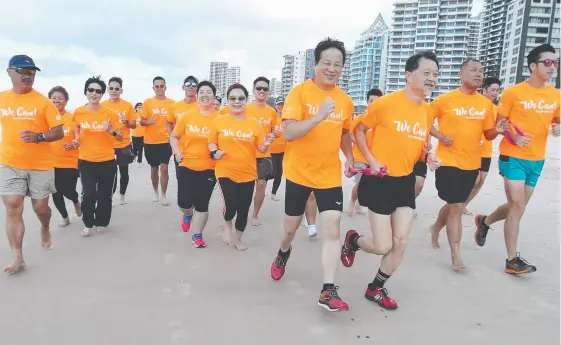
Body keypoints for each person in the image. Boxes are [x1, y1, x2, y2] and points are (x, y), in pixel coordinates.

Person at [340, 51, 441, 310]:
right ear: (409, 75)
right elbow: (357, 129)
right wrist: (372, 160)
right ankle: (354, 241)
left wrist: (429, 157)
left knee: (401, 241)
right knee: (382, 244)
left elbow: (420, 145)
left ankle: (376, 287)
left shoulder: (427, 112)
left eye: (436, 74)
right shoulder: (385, 104)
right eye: (426, 73)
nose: (432, 78)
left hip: (404, 181)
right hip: (379, 182)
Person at [269, 38, 354, 312]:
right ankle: (283, 252)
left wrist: (350, 157)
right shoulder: (299, 93)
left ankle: (327, 290)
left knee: (332, 229)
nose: (332, 69)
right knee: (290, 229)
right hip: (298, 174)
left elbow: (344, 133)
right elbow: (290, 132)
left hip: (329, 175)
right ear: (315, 64)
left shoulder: (345, 101)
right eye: (326, 63)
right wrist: (318, 116)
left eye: (337, 65)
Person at [474, 44, 560, 274]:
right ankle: (512, 260)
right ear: (533, 66)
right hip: (512, 156)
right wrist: (513, 136)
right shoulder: (514, 92)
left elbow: (557, 119)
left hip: (537, 159)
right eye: (548, 62)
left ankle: (485, 221)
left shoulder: (555, 94)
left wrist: (557, 126)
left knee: (517, 207)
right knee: (517, 205)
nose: (553, 66)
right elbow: (500, 124)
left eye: (555, 62)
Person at [428, 59, 504, 271]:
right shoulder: (445, 100)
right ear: (461, 74)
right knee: (456, 208)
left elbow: (487, 135)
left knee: (457, 206)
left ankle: (435, 228)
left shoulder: (486, 105)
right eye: (473, 70)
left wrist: (497, 130)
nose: (478, 74)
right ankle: (456, 254)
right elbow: (424, 121)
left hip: (472, 163)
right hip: (448, 162)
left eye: (480, 71)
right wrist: (440, 136)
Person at [0, 55, 63, 274]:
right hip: (9, 162)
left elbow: (58, 132)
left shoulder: (43, 102)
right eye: (23, 72)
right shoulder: (2, 99)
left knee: (41, 208)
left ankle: (45, 227)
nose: (28, 76)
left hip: (40, 165)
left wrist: (38, 137)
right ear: (10, 71)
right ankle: (18, 257)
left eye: (32, 73)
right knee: (13, 205)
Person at [208, 83, 275, 251]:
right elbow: (211, 142)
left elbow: (260, 148)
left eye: (240, 98)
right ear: (228, 100)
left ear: (246, 100)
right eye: (232, 98)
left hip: (248, 172)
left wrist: (266, 143)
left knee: (243, 209)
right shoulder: (219, 120)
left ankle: (238, 239)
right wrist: (214, 151)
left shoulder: (254, 124)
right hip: (225, 171)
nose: (236, 101)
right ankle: (227, 224)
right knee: (230, 206)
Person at [73, 76, 124, 237]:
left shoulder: (109, 113)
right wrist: (75, 141)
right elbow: (77, 132)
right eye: (91, 90)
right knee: (88, 194)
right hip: (86, 161)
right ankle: (88, 223)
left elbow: (121, 136)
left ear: (102, 94)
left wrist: (111, 131)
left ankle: (102, 221)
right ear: (86, 92)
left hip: (107, 161)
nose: (94, 93)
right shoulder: (79, 112)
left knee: (104, 194)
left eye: (98, 91)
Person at [170, 81, 219, 245]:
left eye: (209, 92)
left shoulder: (220, 119)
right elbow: (174, 136)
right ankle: (187, 214)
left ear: (214, 96)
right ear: (197, 95)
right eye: (201, 92)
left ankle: (197, 235)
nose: (205, 95)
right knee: (184, 202)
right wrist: (177, 152)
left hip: (210, 168)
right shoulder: (188, 116)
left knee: (202, 204)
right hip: (186, 164)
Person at [463, 76, 501, 215]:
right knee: (475, 179)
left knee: (481, 181)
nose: (495, 93)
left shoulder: (496, 109)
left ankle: (464, 204)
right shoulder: (476, 104)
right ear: (484, 89)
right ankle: (458, 203)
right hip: (473, 148)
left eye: (497, 90)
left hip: (487, 149)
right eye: (492, 90)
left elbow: (497, 129)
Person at [246, 76, 279, 226]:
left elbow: (274, 130)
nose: (261, 91)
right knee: (243, 186)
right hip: (245, 154)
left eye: (265, 89)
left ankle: (255, 214)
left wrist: (275, 134)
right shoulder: (245, 108)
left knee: (261, 185)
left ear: (268, 92)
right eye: (258, 88)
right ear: (253, 91)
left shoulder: (271, 112)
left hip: (264, 154)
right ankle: (241, 210)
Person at [49, 86, 81, 227]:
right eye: (54, 97)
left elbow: (81, 137)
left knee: (68, 189)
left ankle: (75, 200)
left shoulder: (72, 118)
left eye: (60, 98)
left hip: (70, 162)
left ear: (66, 101)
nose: (57, 100)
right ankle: (65, 217)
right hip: (50, 162)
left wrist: (75, 143)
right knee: (55, 191)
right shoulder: (45, 119)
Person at [347, 88, 383, 216]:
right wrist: (359, 142)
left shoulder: (380, 121)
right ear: (367, 101)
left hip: (374, 159)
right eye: (370, 101)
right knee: (360, 183)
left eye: (376, 101)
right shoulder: (359, 119)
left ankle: (358, 204)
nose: (372, 104)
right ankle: (352, 202)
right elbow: (350, 134)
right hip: (360, 158)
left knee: (368, 185)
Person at [101, 77, 136, 205]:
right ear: (107, 90)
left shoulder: (127, 105)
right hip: (108, 144)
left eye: (116, 89)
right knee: (110, 172)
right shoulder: (103, 105)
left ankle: (122, 195)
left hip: (124, 144)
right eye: (111, 88)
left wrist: (126, 122)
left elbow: (134, 125)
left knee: (123, 171)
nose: (114, 91)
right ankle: (109, 195)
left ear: (121, 90)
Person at [140, 76, 175, 205]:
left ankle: (164, 195)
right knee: (154, 168)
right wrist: (148, 122)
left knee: (164, 167)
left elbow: (176, 121)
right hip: (150, 141)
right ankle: (156, 192)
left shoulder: (172, 103)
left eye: (162, 86)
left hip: (166, 140)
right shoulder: (148, 102)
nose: (159, 88)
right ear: (153, 88)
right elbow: (141, 121)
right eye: (157, 86)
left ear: (165, 87)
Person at [168, 76, 199, 180]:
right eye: (188, 84)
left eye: (194, 85)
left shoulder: (202, 106)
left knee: (197, 181)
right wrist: (172, 139)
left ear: (197, 88)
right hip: (180, 150)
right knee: (181, 179)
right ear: (183, 87)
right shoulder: (175, 106)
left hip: (198, 150)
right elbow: (169, 122)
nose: (191, 87)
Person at [270, 96, 286, 201]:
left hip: (283, 151)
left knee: (279, 174)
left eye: (282, 104)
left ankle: (273, 193)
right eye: (278, 104)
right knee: (270, 173)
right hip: (271, 150)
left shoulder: (287, 118)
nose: (280, 106)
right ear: (275, 106)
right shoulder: (272, 117)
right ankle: (261, 188)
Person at [131, 102, 145, 167]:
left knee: (140, 149)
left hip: (142, 134)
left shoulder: (143, 115)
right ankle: (134, 157)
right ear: (135, 108)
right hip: (134, 134)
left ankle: (139, 161)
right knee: (134, 148)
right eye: (138, 107)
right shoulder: (133, 115)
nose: (139, 109)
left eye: (141, 107)